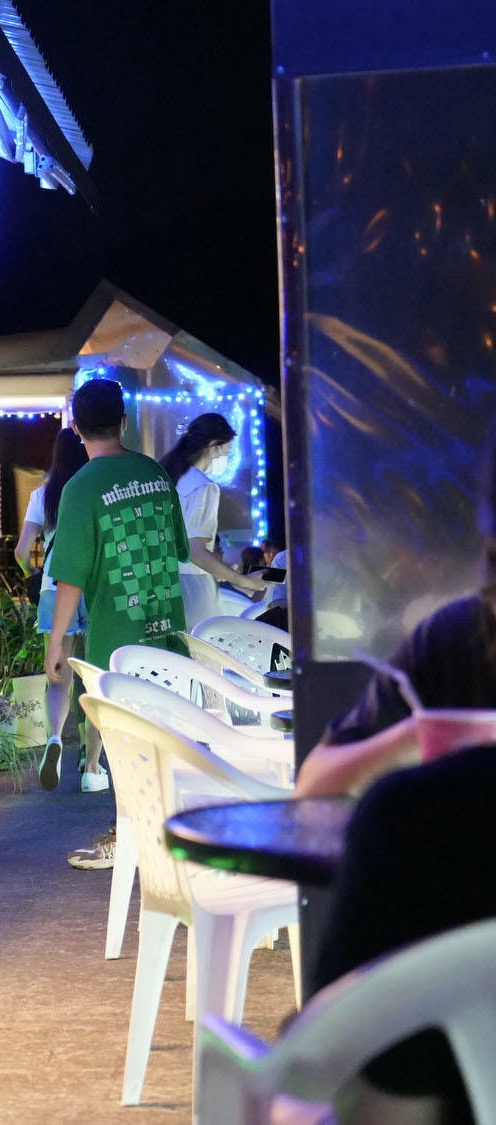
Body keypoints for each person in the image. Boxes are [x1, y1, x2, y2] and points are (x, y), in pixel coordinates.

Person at [293, 438, 496, 1122]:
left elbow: (334, 1079)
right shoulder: (450, 641)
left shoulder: (409, 815)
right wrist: (415, 732)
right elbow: (315, 779)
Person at [44, 378, 191, 869]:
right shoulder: (154, 473)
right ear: (124, 421)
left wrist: (57, 642)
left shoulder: (81, 487)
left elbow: (69, 578)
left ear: (76, 427)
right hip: (169, 635)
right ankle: (168, 832)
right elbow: (179, 549)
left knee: (126, 746)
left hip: (120, 645)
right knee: (165, 738)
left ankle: (127, 835)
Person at [14, 429, 92, 791]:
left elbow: (20, 550)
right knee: (93, 674)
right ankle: (91, 757)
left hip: (52, 587)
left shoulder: (41, 495)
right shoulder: (90, 490)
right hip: (90, 587)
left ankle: (55, 739)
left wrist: (34, 575)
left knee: (58, 672)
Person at [157, 412, 270, 627]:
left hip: (160, 584)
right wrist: (244, 581)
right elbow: (194, 550)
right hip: (192, 589)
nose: (225, 460)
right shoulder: (203, 487)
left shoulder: (164, 477)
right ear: (213, 445)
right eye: (227, 452)